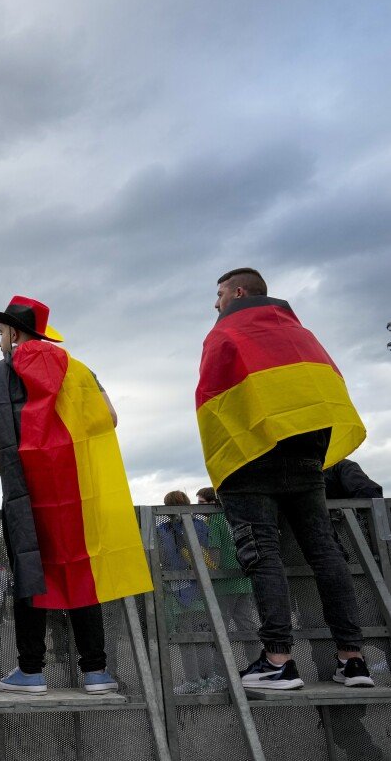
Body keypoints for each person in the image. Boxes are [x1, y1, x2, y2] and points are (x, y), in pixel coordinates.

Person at [196, 267, 372, 689]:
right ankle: (353, 659)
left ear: (238, 293)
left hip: (253, 460)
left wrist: (224, 465)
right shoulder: (300, 333)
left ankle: (277, 660)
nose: (215, 303)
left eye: (219, 295)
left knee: (264, 557)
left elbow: (213, 401)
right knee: (326, 554)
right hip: (307, 457)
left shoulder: (225, 333)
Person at [0, 296, 152, 696]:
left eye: (1, 331)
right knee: (81, 568)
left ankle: (31, 671)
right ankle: (96, 672)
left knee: (30, 571)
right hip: (76, 492)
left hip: (25, 492)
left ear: (15, 332)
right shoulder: (79, 370)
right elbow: (110, 418)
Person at [157, 491, 223, 695]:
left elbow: (161, 557)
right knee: (203, 635)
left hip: (177, 588)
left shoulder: (162, 530)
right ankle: (209, 678)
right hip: (200, 587)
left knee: (186, 637)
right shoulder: (201, 525)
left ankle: (193, 680)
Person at [196, 487, 260, 665]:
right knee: (247, 626)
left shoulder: (215, 520)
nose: (198, 508)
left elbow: (214, 552)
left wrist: (208, 568)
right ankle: (255, 663)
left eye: (201, 503)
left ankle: (221, 670)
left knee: (219, 629)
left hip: (224, 584)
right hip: (244, 580)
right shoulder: (235, 516)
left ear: (212, 503)